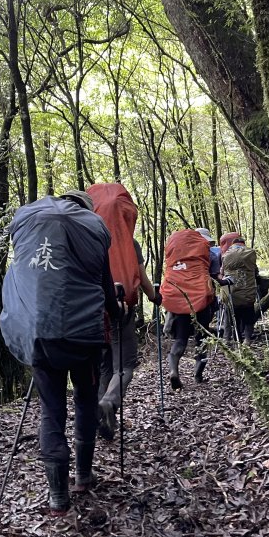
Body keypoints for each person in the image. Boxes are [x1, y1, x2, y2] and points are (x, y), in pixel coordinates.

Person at [0, 190, 122, 515]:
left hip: (39, 335)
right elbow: (106, 291)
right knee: (84, 398)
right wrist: (119, 312)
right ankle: (83, 475)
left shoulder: (30, 227)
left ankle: (57, 496)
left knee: (51, 411)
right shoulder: (93, 231)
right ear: (86, 211)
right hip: (84, 337)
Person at [87, 183, 161, 441]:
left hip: (94, 311)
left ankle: (102, 420)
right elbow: (140, 277)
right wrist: (155, 296)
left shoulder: (86, 240)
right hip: (122, 308)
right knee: (125, 365)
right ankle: (110, 403)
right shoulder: (130, 242)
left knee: (104, 366)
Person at [161, 228, 217, 388]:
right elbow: (213, 275)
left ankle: (173, 371)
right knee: (202, 340)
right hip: (201, 302)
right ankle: (198, 376)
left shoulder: (176, 257)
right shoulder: (209, 255)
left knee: (180, 340)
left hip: (179, 301)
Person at [221, 235, 260, 344]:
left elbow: (222, 272)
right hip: (248, 291)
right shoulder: (250, 253)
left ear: (233, 244)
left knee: (233, 316)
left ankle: (233, 339)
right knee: (248, 315)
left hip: (231, 291)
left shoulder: (226, 255)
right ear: (243, 243)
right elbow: (255, 271)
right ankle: (247, 339)